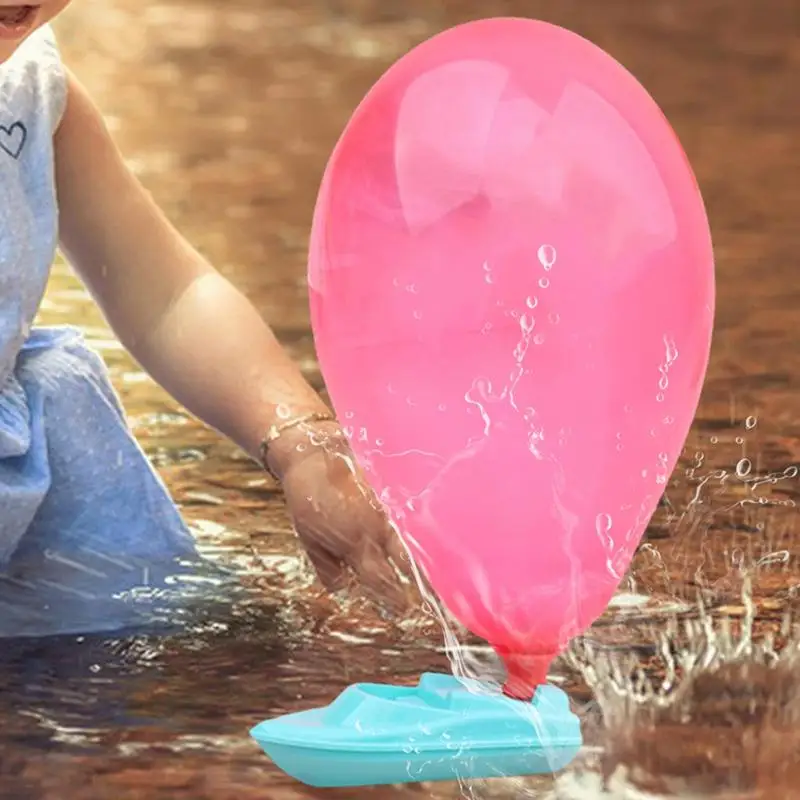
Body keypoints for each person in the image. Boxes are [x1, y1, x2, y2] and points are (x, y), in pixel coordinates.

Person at [0, 3, 408, 635]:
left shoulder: (31, 93)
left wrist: (305, 444)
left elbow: (167, 293)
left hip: (27, 504)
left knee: (174, 645)